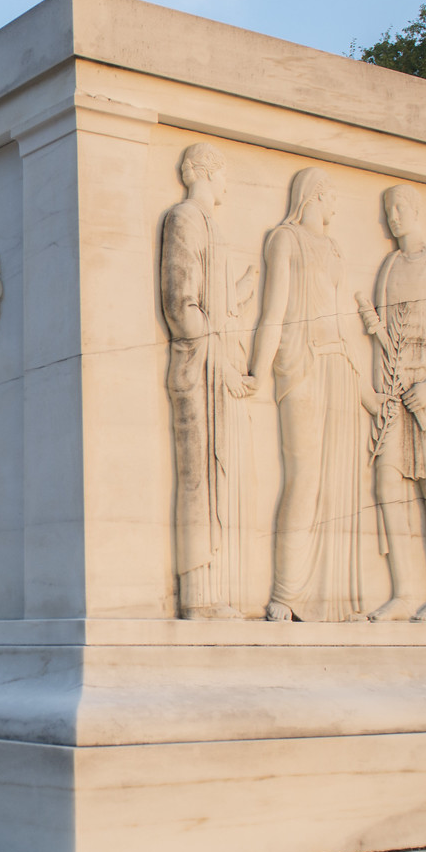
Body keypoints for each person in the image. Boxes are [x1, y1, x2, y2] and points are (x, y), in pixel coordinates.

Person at [242, 166, 371, 622]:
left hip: (339, 367)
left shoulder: (333, 247)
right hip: (302, 366)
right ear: (316, 194)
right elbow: (273, 311)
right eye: (332, 195)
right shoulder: (285, 239)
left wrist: (366, 388)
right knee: (305, 478)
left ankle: (333, 598)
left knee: (340, 483)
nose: (336, 205)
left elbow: (342, 319)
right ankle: (285, 593)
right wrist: (258, 370)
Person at [357, 183, 426, 622]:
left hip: (425, 388)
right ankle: (404, 591)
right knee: (386, 483)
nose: (392, 217)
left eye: (399, 208)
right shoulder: (389, 264)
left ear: (415, 209)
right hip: (393, 385)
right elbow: (382, 341)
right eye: (388, 209)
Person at [160, 143, 256, 618]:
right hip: (199, 367)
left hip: (216, 364)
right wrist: (217, 349)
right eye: (225, 174)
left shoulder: (208, 224)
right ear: (209, 172)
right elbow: (183, 306)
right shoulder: (186, 218)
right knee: (199, 479)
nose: (227, 186)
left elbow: (210, 303)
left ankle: (217, 591)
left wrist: (241, 291)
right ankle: (198, 596)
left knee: (218, 479)